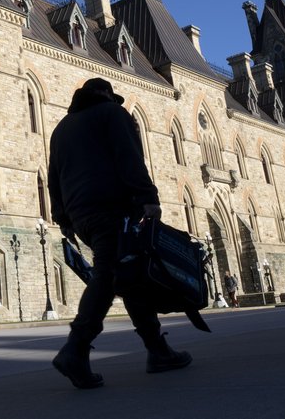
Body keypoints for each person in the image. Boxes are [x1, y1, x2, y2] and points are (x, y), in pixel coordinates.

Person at [47, 77, 192, 389]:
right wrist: (148, 197)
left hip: (81, 217)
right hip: (112, 210)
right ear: (106, 95)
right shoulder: (113, 114)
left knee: (131, 277)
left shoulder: (61, 129)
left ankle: (157, 350)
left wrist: (63, 219)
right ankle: (75, 349)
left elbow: (53, 178)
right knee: (110, 274)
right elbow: (129, 158)